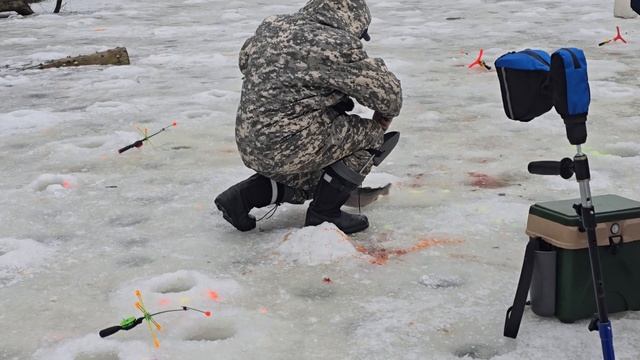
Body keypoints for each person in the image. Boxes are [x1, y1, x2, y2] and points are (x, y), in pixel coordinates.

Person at [215, 0, 402, 234]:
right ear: (353, 21)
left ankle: (241, 197)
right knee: (371, 136)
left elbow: (246, 63)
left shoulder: (273, 26)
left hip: (251, 142)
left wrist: (319, 95)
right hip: (288, 145)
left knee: (320, 180)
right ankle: (325, 213)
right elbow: (390, 98)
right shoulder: (337, 44)